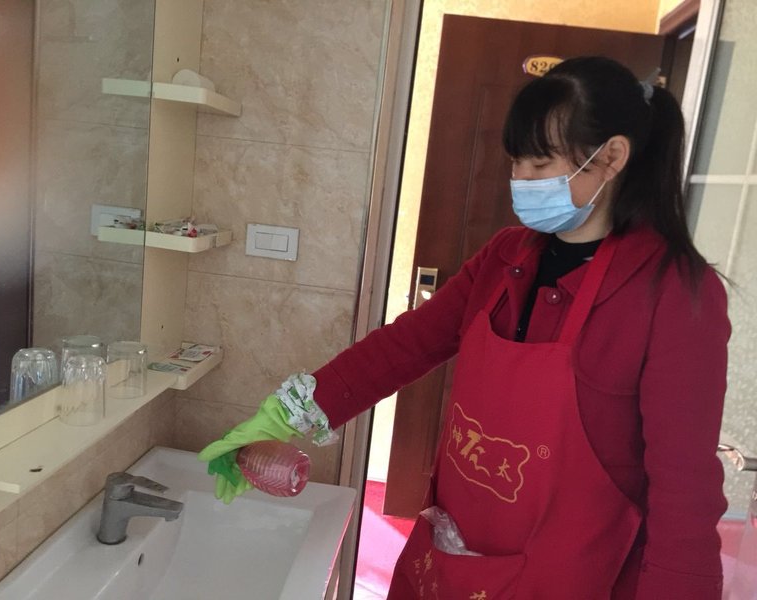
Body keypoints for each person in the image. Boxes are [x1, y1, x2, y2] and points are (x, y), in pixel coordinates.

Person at [199, 56, 729, 599]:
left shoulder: (675, 294)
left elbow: (684, 487)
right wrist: (283, 416)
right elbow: (404, 346)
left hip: (574, 579)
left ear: (611, 157)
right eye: (516, 162)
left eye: (540, 163)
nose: (520, 180)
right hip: (454, 555)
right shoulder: (506, 257)